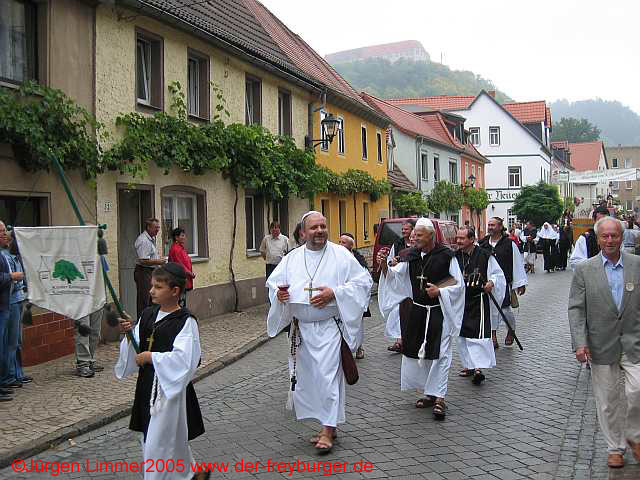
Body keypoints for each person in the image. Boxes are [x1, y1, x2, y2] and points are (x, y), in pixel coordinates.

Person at [266, 212, 371, 453]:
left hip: (328, 329)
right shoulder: (292, 258)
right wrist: (279, 294)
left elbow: (363, 282)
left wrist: (335, 293)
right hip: (302, 331)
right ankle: (328, 425)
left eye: (323, 226)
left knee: (327, 378)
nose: (320, 230)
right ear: (303, 232)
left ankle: (327, 429)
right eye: (314, 227)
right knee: (310, 380)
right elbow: (273, 283)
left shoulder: (341, 254)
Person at [116, 263, 208, 480]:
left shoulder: (185, 322)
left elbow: (185, 360)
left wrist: (151, 357)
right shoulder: (148, 314)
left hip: (168, 393)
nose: (151, 291)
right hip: (147, 386)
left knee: (158, 444)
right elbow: (137, 344)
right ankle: (190, 474)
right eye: (152, 286)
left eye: (158, 287)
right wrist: (129, 334)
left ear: (175, 291)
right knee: (161, 440)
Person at [568, 217, 640, 469]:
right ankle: (615, 448)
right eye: (605, 236)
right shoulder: (584, 270)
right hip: (600, 343)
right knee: (608, 400)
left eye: (614, 236)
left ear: (622, 237)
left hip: (634, 341)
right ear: (598, 239)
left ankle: (634, 436)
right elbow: (576, 309)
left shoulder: (637, 264)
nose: (610, 240)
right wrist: (580, 342)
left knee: (637, 390)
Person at [378, 218, 464, 420]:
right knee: (421, 354)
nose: (414, 238)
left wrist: (440, 290)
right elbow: (396, 277)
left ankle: (440, 398)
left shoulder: (446, 256)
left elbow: (457, 283)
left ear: (431, 236)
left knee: (441, 354)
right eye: (413, 234)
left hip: (438, 312)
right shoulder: (411, 256)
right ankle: (429, 393)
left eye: (418, 235)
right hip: (417, 311)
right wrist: (384, 266)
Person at [455, 226, 505, 385]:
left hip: (478, 300)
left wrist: (491, 282)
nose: (458, 241)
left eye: (462, 238)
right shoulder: (455, 256)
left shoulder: (484, 255)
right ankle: (469, 365)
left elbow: (497, 274)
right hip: (461, 301)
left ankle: (478, 368)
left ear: (472, 239)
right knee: (463, 335)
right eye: (457, 238)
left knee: (477, 335)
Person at [479, 217, 527, 348]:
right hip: (487, 283)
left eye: (493, 225)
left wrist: (520, 283)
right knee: (489, 310)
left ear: (500, 227)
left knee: (505, 309)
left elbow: (517, 263)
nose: (490, 227)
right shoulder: (482, 244)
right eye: (489, 225)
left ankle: (511, 329)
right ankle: (492, 336)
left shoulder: (509, 244)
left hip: (504, 283)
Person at [0, 222, 25, 401]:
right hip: (7, 303)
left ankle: (7, 378)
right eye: (1, 231)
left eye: (4, 231)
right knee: (7, 344)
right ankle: (7, 377)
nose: (4, 234)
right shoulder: (4, 255)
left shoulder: (10, 255)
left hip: (8, 304)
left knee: (12, 343)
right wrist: (11, 277)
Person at [339, 233, 372, 360]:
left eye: (343, 242)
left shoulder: (358, 259)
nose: (340, 244)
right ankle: (343, 350)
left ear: (350, 245)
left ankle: (359, 347)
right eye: (339, 242)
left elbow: (365, 279)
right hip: (342, 297)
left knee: (357, 324)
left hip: (356, 298)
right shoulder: (336, 257)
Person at [134, 219, 166, 320]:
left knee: (152, 299)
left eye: (158, 227)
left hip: (150, 272)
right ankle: (142, 323)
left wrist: (158, 259)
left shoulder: (150, 239)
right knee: (145, 300)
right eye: (155, 227)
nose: (158, 230)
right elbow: (143, 260)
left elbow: (149, 256)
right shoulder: (144, 240)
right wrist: (159, 261)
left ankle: (150, 322)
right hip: (144, 272)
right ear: (148, 227)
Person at [168, 227, 196, 308]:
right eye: (182, 235)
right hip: (180, 279)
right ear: (176, 237)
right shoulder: (175, 249)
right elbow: (180, 265)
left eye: (184, 235)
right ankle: (180, 315)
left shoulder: (180, 247)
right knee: (180, 302)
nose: (184, 237)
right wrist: (190, 273)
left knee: (182, 301)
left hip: (184, 278)